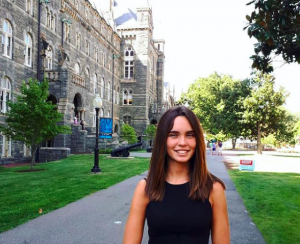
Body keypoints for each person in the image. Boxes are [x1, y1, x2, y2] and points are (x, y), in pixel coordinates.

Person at [123, 106, 230, 244]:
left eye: (190, 135)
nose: (182, 142)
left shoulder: (214, 189)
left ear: (197, 140)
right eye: (173, 135)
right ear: (163, 140)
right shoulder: (146, 188)